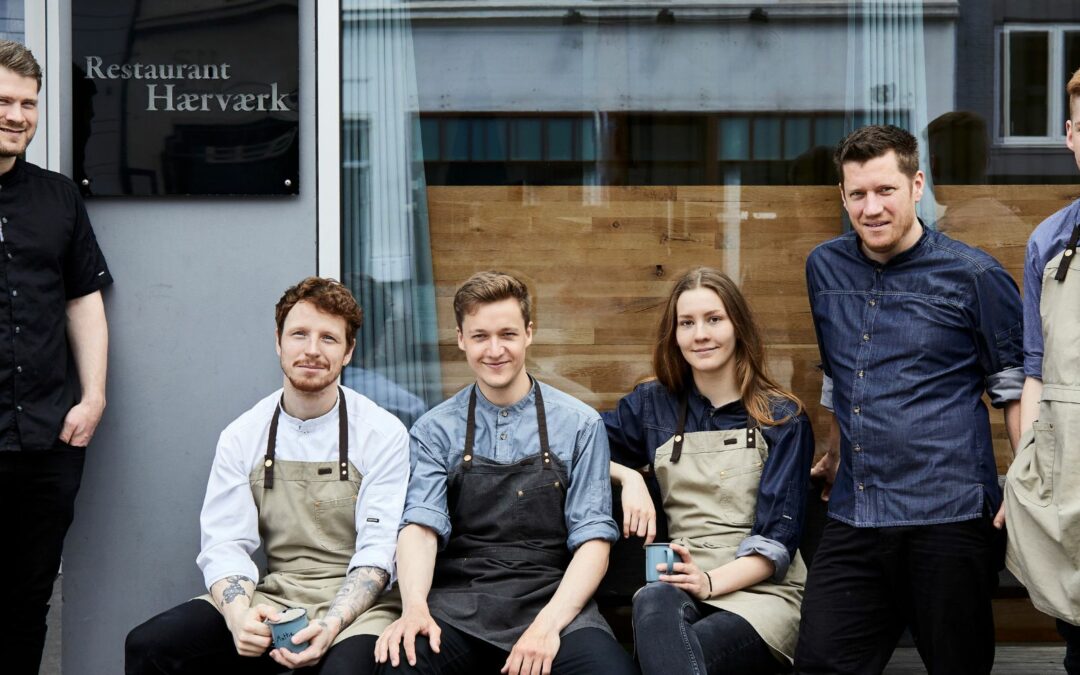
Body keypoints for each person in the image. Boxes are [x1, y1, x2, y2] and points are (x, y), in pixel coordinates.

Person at [796, 124, 1023, 674]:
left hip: (947, 519)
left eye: (885, 190)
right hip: (855, 513)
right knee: (821, 662)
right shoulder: (823, 268)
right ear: (842, 197)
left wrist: (1024, 482)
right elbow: (838, 375)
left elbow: (1014, 388)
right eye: (858, 194)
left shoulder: (975, 276)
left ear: (916, 185)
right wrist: (832, 451)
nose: (871, 207)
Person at [126, 277, 408, 674]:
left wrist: (330, 625)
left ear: (348, 352)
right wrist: (239, 614)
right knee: (150, 646)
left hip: (361, 609)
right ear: (278, 341)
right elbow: (223, 544)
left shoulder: (382, 433)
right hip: (276, 595)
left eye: (328, 338)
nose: (312, 350)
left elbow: (378, 553)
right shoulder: (243, 434)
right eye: (299, 334)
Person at [374, 271, 637, 675]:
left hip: (552, 598)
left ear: (529, 334)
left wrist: (547, 627)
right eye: (480, 336)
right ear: (461, 338)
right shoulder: (433, 429)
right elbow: (420, 528)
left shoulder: (580, 425)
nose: (494, 350)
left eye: (508, 334)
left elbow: (594, 542)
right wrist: (414, 609)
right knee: (402, 664)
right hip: (460, 604)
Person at [605, 267, 813, 674]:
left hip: (760, 592)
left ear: (738, 327)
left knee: (680, 651)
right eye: (687, 323)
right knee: (652, 598)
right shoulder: (653, 405)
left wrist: (711, 583)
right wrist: (628, 477)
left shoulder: (782, 418)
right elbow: (573, 447)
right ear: (675, 334)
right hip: (682, 576)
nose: (700, 334)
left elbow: (776, 542)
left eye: (713, 319)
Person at [0, 40, 112, 675]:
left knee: (27, 604)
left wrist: (92, 397)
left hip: (47, 443)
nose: (18, 116)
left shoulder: (59, 198)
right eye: (5, 101)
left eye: (29, 104)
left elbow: (83, 301)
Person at [1004, 66, 1080, 675]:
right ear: (1071, 136)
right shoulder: (1047, 241)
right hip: (1066, 482)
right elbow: (1034, 368)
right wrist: (1022, 471)